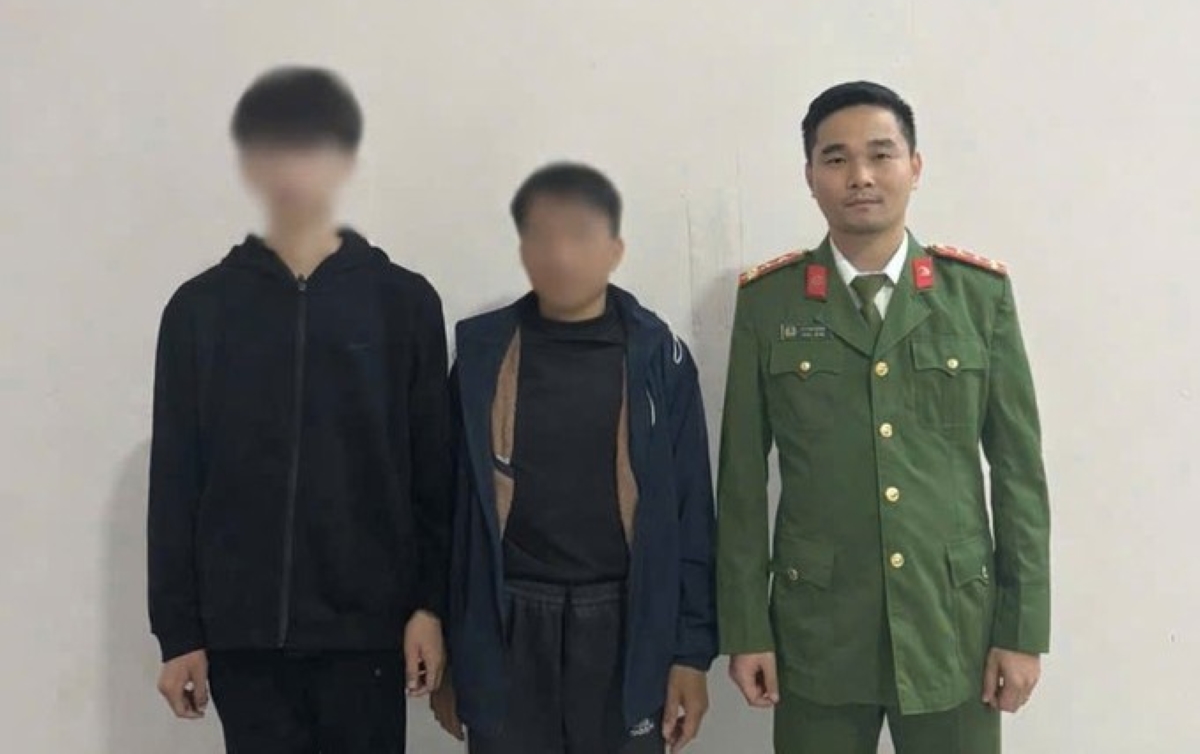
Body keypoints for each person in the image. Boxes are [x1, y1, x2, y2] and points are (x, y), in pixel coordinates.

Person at [716, 81, 1051, 754]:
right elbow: (742, 480)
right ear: (810, 176)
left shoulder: (977, 297)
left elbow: (1019, 474)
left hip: (950, 625)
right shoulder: (770, 302)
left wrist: (1022, 630)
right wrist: (747, 627)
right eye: (836, 158)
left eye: (880, 154)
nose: (860, 176)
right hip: (818, 630)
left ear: (915, 166)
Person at [147, 66, 451, 753]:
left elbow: (434, 474)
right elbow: (175, 480)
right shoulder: (200, 310)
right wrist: (179, 631)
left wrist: (430, 605)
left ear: (344, 160)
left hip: (369, 638)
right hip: (245, 639)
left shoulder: (403, 304)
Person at [430, 163, 717, 753]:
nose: (560, 255)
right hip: (507, 625)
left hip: (625, 626)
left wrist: (690, 653)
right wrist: (452, 647)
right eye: (542, 237)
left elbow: (692, 514)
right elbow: (448, 512)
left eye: (580, 236)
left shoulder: (659, 361)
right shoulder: (483, 360)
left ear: (615, 249)